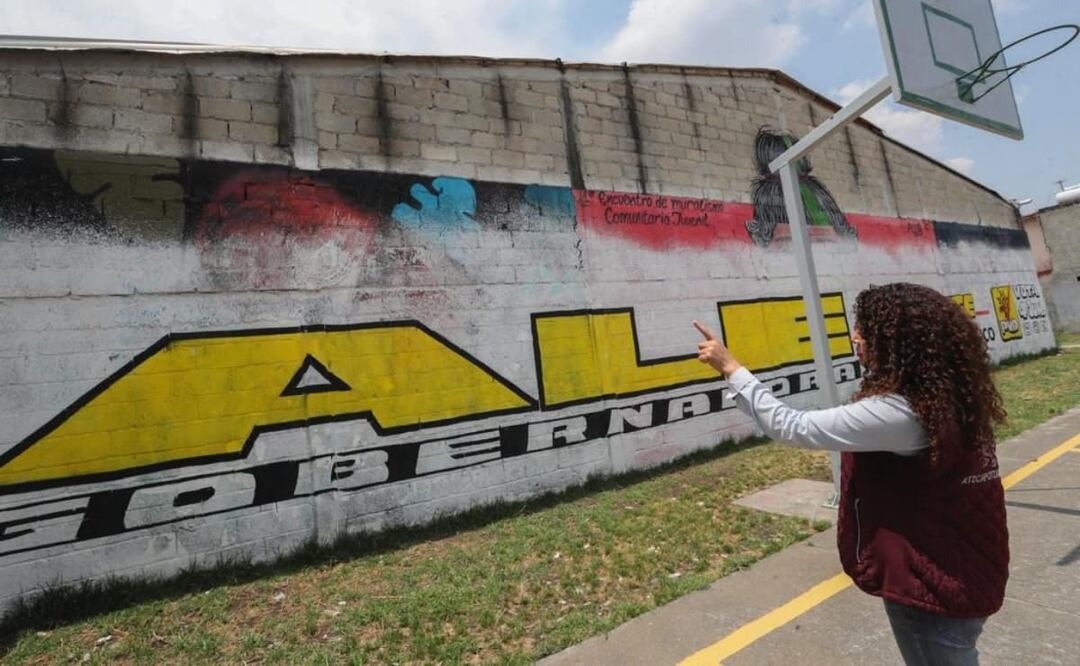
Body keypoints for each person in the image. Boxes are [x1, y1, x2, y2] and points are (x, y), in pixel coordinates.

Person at [693, 282, 1009, 666]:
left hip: (932, 587)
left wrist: (730, 367)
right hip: (965, 568)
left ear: (897, 341)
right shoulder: (951, 394)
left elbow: (792, 426)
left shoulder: (901, 412)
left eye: (865, 329)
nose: (854, 336)